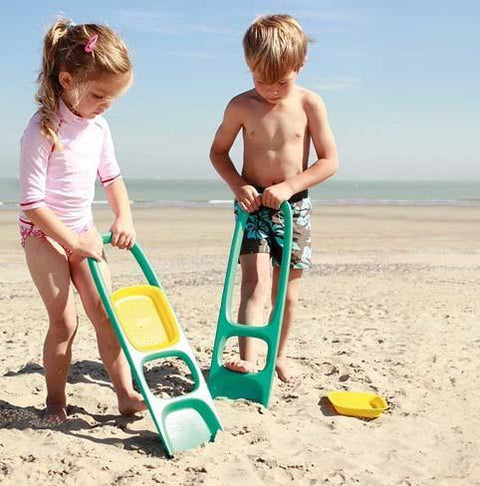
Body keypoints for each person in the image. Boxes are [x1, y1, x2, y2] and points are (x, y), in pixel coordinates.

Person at [19, 19, 146, 422]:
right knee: (64, 322)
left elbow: (113, 179)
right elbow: (32, 203)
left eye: (113, 98)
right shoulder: (41, 131)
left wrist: (124, 215)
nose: (106, 105)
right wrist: (72, 243)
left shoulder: (99, 127)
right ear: (67, 79)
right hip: (44, 233)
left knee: (105, 314)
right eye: (98, 95)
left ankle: (125, 393)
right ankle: (56, 401)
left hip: (83, 230)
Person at [210, 14, 338, 382]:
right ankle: (248, 358)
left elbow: (329, 161)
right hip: (252, 208)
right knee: (254, 283)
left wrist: (289, 186)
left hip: (292, 207)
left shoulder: (310, 104)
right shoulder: (240, 106)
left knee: (288, 293)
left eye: (281, 81)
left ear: (301, 65)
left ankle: (277, 355)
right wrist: (238, 185)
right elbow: (218, 153)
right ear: (249, 67)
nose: (270, 89)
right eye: (260, 80)